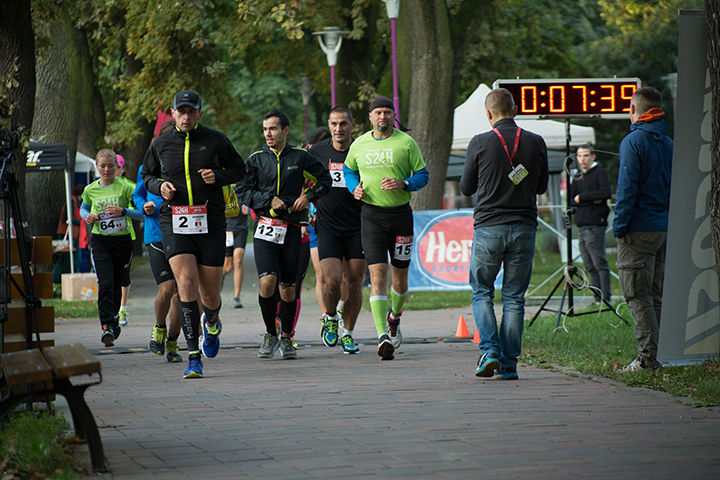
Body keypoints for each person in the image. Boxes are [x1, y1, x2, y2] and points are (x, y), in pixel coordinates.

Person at [142, 90, 245, 378]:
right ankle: (193, 356)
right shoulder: (160, 144)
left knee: (209, 294)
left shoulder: (216, 140)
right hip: (173, 220)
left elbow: (240, 169)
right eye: (181, 111)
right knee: (185, 284)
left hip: (209, 221)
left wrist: (218, 176)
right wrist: (158, 186)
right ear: (173, 113)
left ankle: (211, 322)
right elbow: (146, 176)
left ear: (200, 113)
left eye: (191, 111)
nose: (186, 116)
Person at [460, 88, 549, 380]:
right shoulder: (536, 142)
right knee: (514, 297)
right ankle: (509, 364)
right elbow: (540, 187)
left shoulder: (480, 142)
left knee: (482, 290)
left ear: (488, 114)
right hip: (524, 227)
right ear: (516, 109)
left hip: (488, 227)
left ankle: (490, 351)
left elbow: (466, 188)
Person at [237, 110, 331, 360]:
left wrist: (307, 197)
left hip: (293, 230)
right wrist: (269, 199)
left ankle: (287, 337)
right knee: (267, 282)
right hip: (266, 228)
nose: (268, 134)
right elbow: (243, 191)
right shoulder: (256, 159)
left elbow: (326, 180)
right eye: (265, 129)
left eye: (273, 129)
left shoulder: (301, 157)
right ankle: (270, 333)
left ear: (285, 130)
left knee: (288, 291)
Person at [343, 96, 429, 360]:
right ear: (370, 117)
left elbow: (422, 176)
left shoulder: (406, 142)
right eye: (378, 112)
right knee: (377, 275)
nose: (382, 116)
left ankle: (395, 316)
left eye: (387, 112)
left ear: (393, 116)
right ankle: (382, 336)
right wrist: (353, 188)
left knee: (400, 278)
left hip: (401, 215)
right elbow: (348, 171)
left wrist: (404, 183)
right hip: (371, 216)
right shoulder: (359, 144)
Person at [613, 87, 673, 372]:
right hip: (663, 227)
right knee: (655, 294)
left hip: (637, 230)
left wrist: (619, 226)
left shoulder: (633, 141)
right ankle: (658, 354)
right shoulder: (669, 143)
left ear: (634, 110)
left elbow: (627, 188)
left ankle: (647, 359)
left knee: (637, 295)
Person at [310, 106, 366, 355]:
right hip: (328, 226)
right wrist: (306, 209)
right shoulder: (318, 152)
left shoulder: (363, 149)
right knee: (331, 281)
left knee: (354, 283)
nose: (338, 129)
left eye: (343, 124)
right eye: (334, 124)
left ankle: (349, 334)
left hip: (359, 226)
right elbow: (300, 182)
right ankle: (331, 316)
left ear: (352, 124)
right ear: (329, 125)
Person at [81, 149, 144, 347]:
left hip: (123, 241)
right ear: (97, 167)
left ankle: (114, 317)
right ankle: (106, 326)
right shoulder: (90, 189)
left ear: (118, 168)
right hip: (100, 241)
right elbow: (84, 207)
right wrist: (86, 216)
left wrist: (123, 211)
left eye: (111, 166)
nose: (107, 169)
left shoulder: (126, 187)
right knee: (106, 283)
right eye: (103, 166)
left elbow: (142, 214)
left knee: (117, 283)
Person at [134, 119, 183, 363]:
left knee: (180, 294)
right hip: (156, 235)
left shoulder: (184, 165)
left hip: (183, 235)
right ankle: (159, 327)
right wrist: (144, 206)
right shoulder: (148, 165)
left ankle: (173, 341)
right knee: (166, 290)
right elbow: (137, 194)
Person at [568, 144, 612, 304]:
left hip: (595, 224)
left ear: (592, 156)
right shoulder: (578, 176)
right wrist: (590, 199)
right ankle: (597, 298)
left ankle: (605, 298)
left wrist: (583, 198)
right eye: (579, 156)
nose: (582, 159)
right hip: (581, 224)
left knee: (599, 262)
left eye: (586, 155)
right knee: (588, 264)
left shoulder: (599, 172)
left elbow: (605, 193)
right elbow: (572, 199)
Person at [115, 154, 136, 326]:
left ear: (122, 169)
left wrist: (123, 211)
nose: (113, 170)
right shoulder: (96, 188)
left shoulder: (131, 187)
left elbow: (138, 210)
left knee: (124, 275)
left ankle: (122, 309)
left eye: (117, 167)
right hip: (104, 238)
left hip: (126, 236)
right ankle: (110, 310)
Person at [223, 200, 249, 309]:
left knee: (238, 260)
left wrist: (250, 209)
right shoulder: (224, 186)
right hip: (227, 229)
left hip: (241, 228)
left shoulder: (243, 185)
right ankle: (219, 278)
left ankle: (236, 297)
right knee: (228, 267)